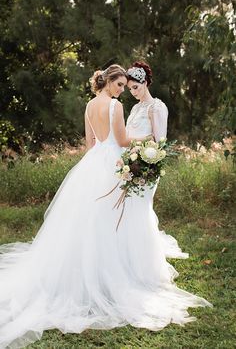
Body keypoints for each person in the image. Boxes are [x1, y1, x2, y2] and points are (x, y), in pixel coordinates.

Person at [0, 63, 211, 349]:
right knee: (113, 219)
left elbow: (90, 144)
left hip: (91, 165)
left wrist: (106, 152)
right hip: (112, 162)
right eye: (121, 85)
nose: (123, 90)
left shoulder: (88, 106)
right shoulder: (115, 106)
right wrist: (145, 140)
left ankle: (85, 270)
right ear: (111, 82)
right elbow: (122, 140)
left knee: (88, 219)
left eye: (126, 86)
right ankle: (111, 273)